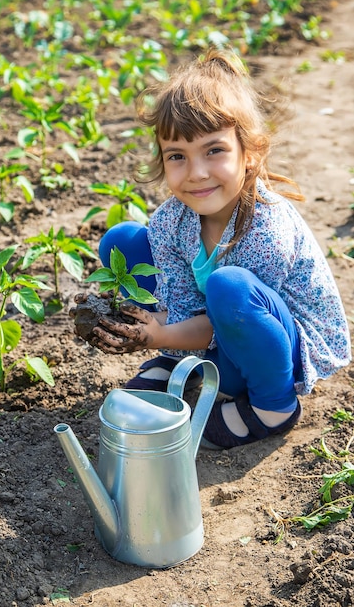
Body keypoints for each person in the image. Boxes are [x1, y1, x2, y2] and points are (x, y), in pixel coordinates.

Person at [79, 48, 351, 450]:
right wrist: (151, 328)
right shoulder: (174, 220)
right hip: (218, 329)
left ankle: (271, 408)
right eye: (177, 156)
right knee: (123, 242)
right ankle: (180, 364)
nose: (197, 173)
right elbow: (186, 303)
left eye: (214, 150)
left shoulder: (266, 228)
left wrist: (156, 336)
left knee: (229, 287)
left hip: (274, 352)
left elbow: (230, 314)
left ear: (250, 152)